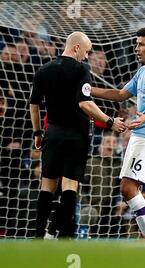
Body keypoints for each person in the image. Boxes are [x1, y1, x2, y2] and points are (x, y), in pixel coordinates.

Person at [29, 31, 126, 238]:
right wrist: (110, 121)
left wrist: (37, 132)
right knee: (70, 186)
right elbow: (85, 102)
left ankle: (39, 237)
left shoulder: (44, 70)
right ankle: (65, 235)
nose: (86, 56)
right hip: (75, 136)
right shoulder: (81, 69)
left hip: (52, 134)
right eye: (86, 51)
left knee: (47, 186)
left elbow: (34, 105)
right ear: (76, 48)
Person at [91, 27, 145, 239]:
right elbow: (120, 94)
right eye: (136, 44)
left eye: (141, 44)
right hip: (139, 135)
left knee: (128, 188)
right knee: (127, 189)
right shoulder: (142, 71)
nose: (136, 48)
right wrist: (87, 89)